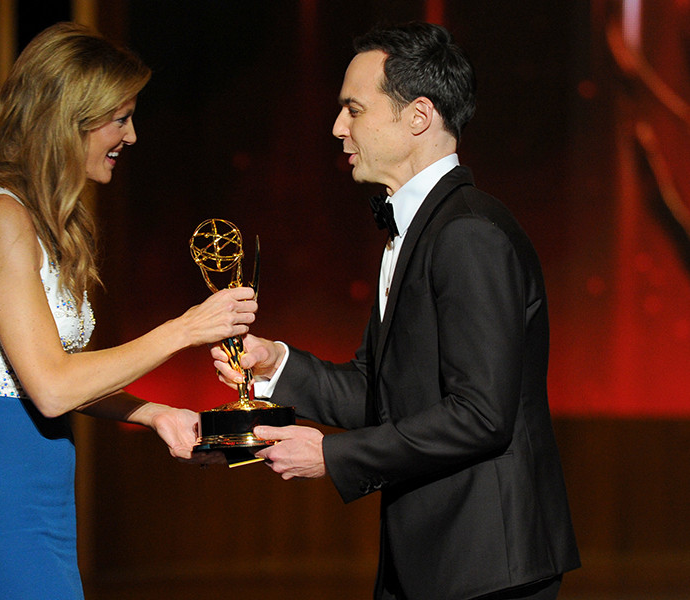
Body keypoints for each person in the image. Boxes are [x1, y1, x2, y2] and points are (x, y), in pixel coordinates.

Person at [213, 22, 580, 600]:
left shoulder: (468, 234)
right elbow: (383, 392)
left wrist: (332, 455)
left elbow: (481, 415)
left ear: (418, 116)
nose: (338, 128)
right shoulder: (414, 230)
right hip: (431, 559)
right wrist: (274, 367)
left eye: (353, 110)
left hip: (485, 567)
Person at [0, 22, 256, 600]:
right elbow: (53, 388)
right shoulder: (0, 219)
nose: (130, 136)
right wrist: (183, 330)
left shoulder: (46, 221)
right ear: (67, 119)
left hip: (43, 501)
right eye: (119, 117)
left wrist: (153, 413)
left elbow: (61, 374)